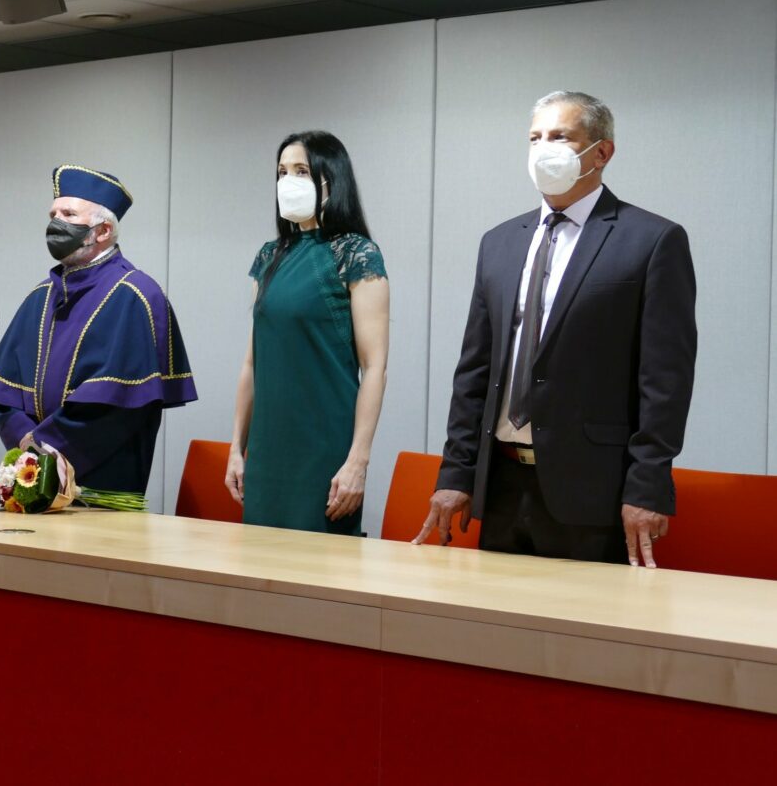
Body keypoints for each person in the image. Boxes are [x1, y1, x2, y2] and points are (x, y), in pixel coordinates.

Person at [415, 91, 697, 567]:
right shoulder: (499, 242)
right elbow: (474, 372)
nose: (544, 149)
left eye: (560, 137)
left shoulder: (651, 240)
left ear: (601, 152)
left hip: (593, 491)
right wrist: (456, 473)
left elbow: (665, 380)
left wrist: (647, 486)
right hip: (501, 484)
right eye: (535, 138)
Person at [0, 164, 197, 494]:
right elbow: (5, 392)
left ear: (103, 230)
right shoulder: (41, 296)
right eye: (53, 214)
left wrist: (45, 449)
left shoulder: (135, 295)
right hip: (31, 475)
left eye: (68, 214)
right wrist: (27, 445)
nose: (56, 223)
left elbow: (120, 406)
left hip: (103, 481)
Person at [224, 131, 390, 535]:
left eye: (301, 171)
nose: (288, 181)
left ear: (331, 180)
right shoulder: (270, 255)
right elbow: (251, 363)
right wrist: (235, 448)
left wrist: (358, 460)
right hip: (267, 448)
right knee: (259, 561)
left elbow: (374, 367)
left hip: (325, 450)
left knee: (320, 564)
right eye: (282, 172)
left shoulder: (356, 254)